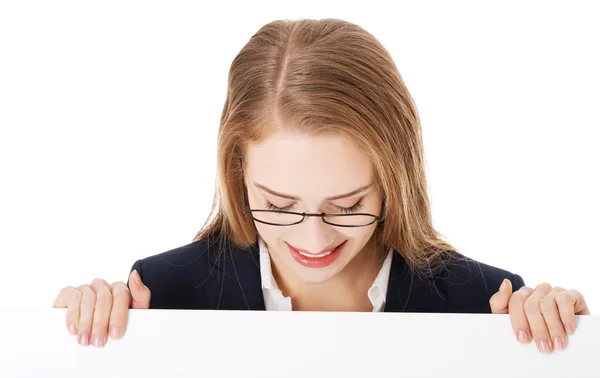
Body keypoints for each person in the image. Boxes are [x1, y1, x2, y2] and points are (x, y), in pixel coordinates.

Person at [52, 18, 590, 354]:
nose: (313, 241)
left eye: (349, 204)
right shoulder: (161, 295)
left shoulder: (485, 305)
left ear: (394, 179)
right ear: (237, 176)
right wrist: (70, 347)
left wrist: (566, 350)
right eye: (277, 204)